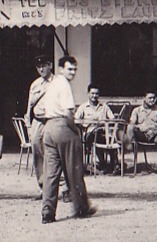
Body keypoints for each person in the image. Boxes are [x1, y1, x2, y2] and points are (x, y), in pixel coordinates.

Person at [36, 56, 97, 224]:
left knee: (51, 173)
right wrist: (75, 129)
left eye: (75, 69)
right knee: (74, 169)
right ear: (61, 69)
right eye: (69, 69)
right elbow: (69, 113)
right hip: (62, 127)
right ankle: (81, 208)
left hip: (48, 128)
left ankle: (47, 212)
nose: (73, 72)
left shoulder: (52, 84)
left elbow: (39, 110)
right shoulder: (64, 84)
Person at [24, 57, 56, 195]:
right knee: (37, 151)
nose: (41, 69)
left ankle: (63, 188)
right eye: (38, 67)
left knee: (55, 153)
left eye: (43, 66)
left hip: (52, 121)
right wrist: (29, 126)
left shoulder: (58, 83)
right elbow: (29, 106)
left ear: (50, 65)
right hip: (37, 121)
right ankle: (43, 187)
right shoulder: (35, 84)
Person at [126, 90, 157, 176]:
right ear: (144, 98)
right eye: (150, 98)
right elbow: (132, 124)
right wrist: (140, 128)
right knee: (130, 127)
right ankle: (129, 146)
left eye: (154, 98)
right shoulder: (137, 110)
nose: (152, 100)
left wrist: (155, 131)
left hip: (154, 134)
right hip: (141, 134)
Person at [74, 85, 113, 171]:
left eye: (97, 94)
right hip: (89, 134)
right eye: (92, 93)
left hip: (104, 133)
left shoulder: (104, 107)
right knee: (96, 136)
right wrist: (84, 123)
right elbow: (76, 119)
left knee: (111, 139)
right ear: (88, 94)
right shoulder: (83, 107)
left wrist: (106, 122)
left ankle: (114, 164)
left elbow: (112, 119)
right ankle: (103, 163)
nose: (94, 96)